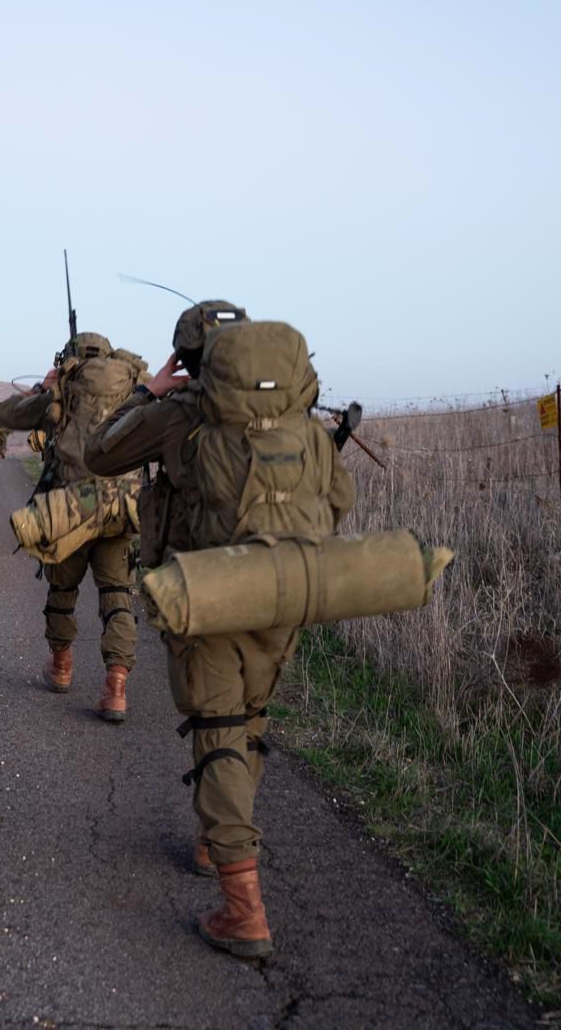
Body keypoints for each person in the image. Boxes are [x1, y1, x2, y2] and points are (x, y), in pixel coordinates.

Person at [84, 302, 354, 957]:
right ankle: (214, 838)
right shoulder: (303, 423)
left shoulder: (179, 414)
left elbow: (99, 453)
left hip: (208, 592)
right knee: (251, 718)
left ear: (191, 357)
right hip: (287, 590)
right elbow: (339, 502)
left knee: (218, 727)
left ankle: (244, 912)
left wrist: (148, 390)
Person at [0, 333, 146, 720]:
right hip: (119, 508)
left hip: (70, 508)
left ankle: (61, 668)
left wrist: (42, 389)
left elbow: (10, 416)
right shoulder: (134, 385)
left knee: (62, 589)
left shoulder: (65, 387)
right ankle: (115, 686)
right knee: (116, 593)